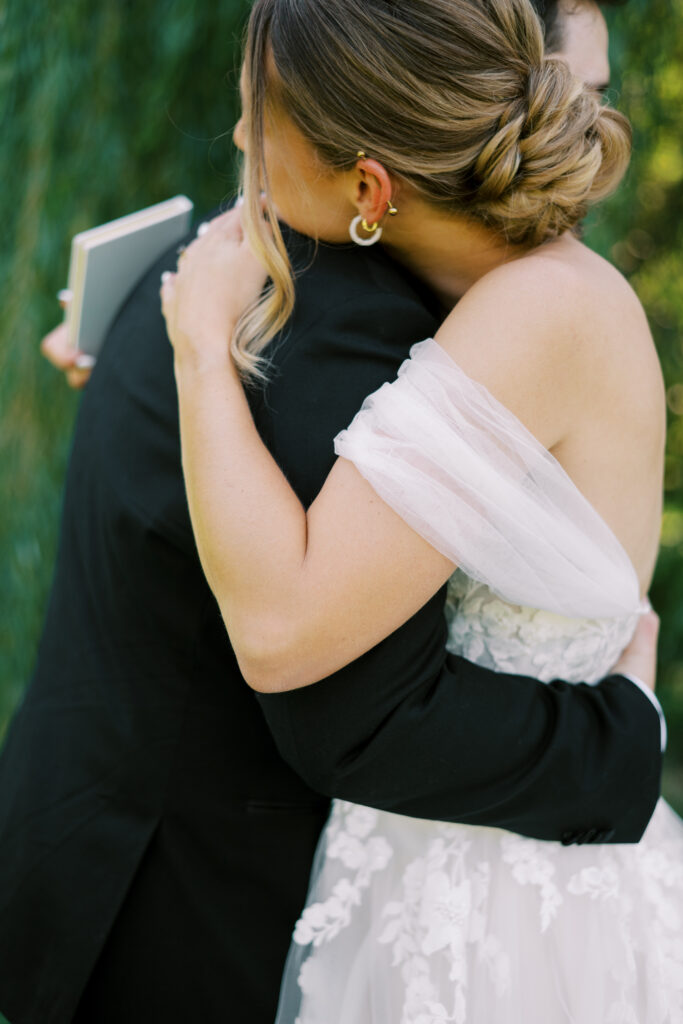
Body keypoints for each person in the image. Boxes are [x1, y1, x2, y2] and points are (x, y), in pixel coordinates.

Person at [0, 2, 662, 1023]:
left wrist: (192, 350)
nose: (234, 144)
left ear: (368, 187)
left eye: (258, 116)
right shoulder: (397, 294)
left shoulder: (494, 312)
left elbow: (292, 637)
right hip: (243, 876)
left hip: (492, 909)